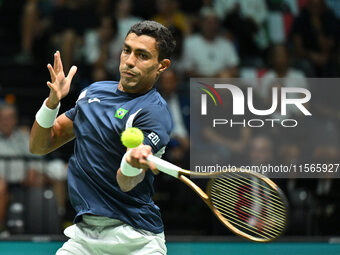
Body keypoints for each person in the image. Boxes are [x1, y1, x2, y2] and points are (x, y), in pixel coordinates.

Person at [29, 21, 176, 254]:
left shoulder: (155, 114)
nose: (129, 61)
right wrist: (52, 104)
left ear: (162, 65)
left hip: (136, 239)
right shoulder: (93, 93)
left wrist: (131, 163)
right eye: (127, 50)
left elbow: (126, 182)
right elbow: (39, 146)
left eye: (142, 56)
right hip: (84, 239)